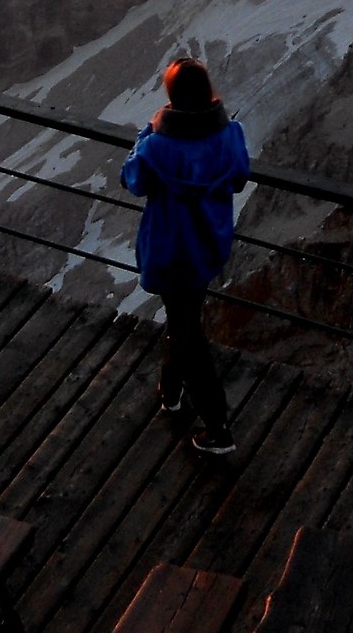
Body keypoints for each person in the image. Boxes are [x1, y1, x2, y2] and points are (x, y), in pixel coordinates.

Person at [120, 56, 251, 456]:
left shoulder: (158, 147)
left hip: (170, 248)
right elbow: (239, 178)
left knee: (188, 333)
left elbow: (133, 179)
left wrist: (147, 132)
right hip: (207, 245)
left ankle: (218, 426)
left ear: (173, 95)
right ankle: (171, 391)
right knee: (184, 318)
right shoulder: (230, 134)